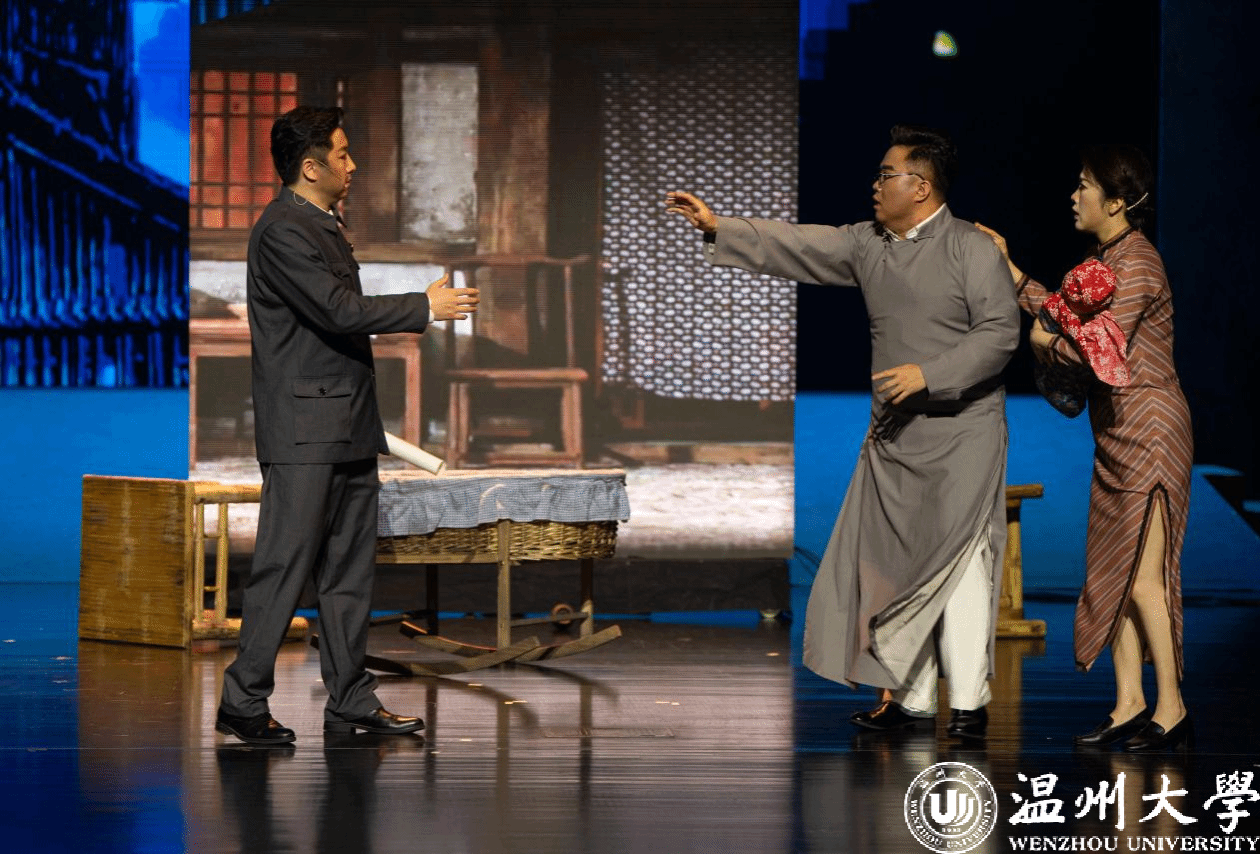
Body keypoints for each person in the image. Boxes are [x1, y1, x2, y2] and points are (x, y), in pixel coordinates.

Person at [667, 124, 1019, 740]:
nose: (875, 184)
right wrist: (720, 226)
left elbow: (999, 333)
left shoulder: (972, 248)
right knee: (896, 564)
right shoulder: (868, 244)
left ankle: (968, 705)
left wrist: (930, 373)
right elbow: (804, 243)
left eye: (887, 174)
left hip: (964, 431)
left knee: (959, 563)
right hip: (897, 433)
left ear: (922, 186)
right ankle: (911, 699)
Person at [216, 106, 479, 745]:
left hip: (348, 422)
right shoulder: (283, 230)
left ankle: (351, 700)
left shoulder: (322, 224)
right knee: (284, 566)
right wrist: (423, 306)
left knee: (349, 573)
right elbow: (338, 311)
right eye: (341, 154)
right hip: (305, 428)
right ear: (311, 168)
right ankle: (242, 701)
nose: (352, 164)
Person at [977, 145, 1193, 752]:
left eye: (1084, 186)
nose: (1074, 197)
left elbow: (1102, 348)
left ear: (1116, 202)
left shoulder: (1139, 263)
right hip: (1117, 431)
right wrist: (1012, 273)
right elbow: (1066, 316)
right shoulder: (1104, 260)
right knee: (1110, 569)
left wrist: (1045, 344)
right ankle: (1129, 704)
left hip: (1151, 429)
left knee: (1142, 575)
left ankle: (1172, 706)